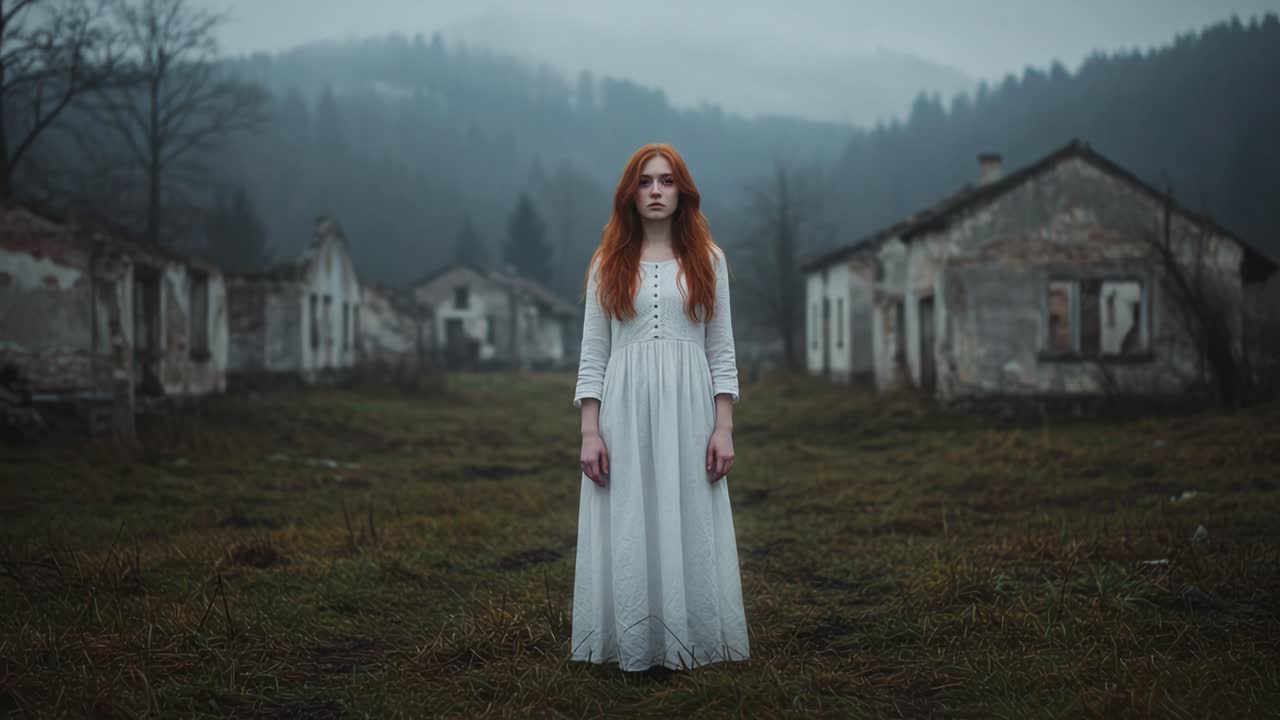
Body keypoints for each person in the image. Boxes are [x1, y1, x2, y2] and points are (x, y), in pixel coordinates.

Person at [570, 143, 749, 671]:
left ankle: (689, 641)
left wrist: (724, 427)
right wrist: (589, 431)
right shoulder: (607, 263)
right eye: (645, 181)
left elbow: (721, 350)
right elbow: (592, 353)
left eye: (666, 181)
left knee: (687, 516)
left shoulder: (708, 260)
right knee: (629, 521)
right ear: (630, 192)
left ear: (682, 192)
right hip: (622, 414)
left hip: (690, 413)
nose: (655, 190)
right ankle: (633, 643)